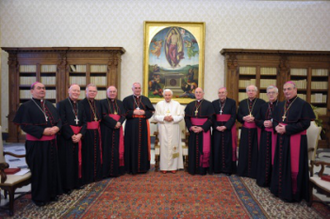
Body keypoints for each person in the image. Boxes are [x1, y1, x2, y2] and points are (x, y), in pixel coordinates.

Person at [13, 82, 62, 206]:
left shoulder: (50, 105)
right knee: (39, 170)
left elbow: (59, 121)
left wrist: (57, 128)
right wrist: (42, 131)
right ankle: (39, 198)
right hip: (36, 145)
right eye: (39, 88)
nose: (42, 90)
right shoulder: (26, 106)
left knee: (51, 169)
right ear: (31, 91)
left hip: (51, 143)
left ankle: (51, 194)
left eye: (44, 88)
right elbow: (24, 125)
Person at [270, 81, 315, 202]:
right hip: (281, 139)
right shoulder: (281, 105)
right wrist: (276, 127)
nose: (286, 92)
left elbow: (305, 123)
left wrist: (287, 129)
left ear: (295, 90)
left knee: (292, 166)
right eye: (284, 89)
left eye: (289, 89)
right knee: (281, 163)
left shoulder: (303, 105)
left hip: (295, 140)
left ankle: (292, 193)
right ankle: (279, 190)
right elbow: (274, 120)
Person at [57, 84, 86, 194]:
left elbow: (84, 122)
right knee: (67, 162)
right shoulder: (62, 104)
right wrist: (71, 135)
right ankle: (67, 186)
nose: (76, 93)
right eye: (74, 90)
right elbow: (62, 121)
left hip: (78, 136)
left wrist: (80, 135)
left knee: (77, 161)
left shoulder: (81, 105)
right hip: (67, 138)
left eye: (78, 91)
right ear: (69, 91)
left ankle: (76, 183)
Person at [123, 82, 155, 174]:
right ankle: (130, 168)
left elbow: (151, 111)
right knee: (131, 144)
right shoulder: (127, 99)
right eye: (135, 88)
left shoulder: (145, 99)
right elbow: (124, 112)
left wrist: (144, 113)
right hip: (131, 126)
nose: (137, 90)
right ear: (132, 89)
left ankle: (143, 168)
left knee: (143, 145)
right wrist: (133, 112)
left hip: (143, 126)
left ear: (141, 89)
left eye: (139, 88)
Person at [237, 85, 265, 178]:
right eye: (249, 90)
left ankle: (254, 172)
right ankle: (243, 171)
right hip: (245, 130)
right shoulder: (242, 103)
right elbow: (238, 115)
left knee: (255, 150)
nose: (251, 92)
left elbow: (264, 115)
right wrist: (243, 117)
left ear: (256, 92)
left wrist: (255, 119)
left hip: (256, 130)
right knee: (244, 150)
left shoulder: (262, 103)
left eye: (253, 91)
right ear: (246, 92)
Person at [184, 87, 214, 175]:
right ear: (194, 94)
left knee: (203, 150)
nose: (198, 94)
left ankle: (202, 169)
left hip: (204, 131)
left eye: (200, 92)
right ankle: (192, 169)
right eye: (196, 92)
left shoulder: (209, 104)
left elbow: (211, 119)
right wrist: (191, 127)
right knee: (193, 149)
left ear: (203, 94)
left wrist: (202, 128)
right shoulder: (190, 105)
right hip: (193, 131)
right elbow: (186, 118)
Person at [154, 89, 184, 174]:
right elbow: (156, 116)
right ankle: (164, 167)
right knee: (164, 147)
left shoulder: (176, 104)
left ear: (172, 95)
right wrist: (164, 117)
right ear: (163, 95)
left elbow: (181, 116)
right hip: (163, 128)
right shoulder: (159, 104)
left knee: (174, 146)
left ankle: (173, 167)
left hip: (174, 127)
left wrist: (173, 118)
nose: (167, 97)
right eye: (166, 95)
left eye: (169, 95)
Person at [100, 86, 126, 177]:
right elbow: (103, 115)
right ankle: (106, 171)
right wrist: (114, 123)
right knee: (107, 149)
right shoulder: (102, 102)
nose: (112, 93)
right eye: (110, 91)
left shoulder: (120, 102)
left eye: (114, 91)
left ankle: (116, 171)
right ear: (107, 93)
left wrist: (119, 123)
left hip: (118, 129)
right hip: (107, 129)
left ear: (116, 93)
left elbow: (123, 115)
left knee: (116, 149)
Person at [255, 85, 278, 187]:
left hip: (276, 136)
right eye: (269, 93)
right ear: (266, 94)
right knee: (264, 156)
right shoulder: (263, 106)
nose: (271, 94)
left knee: (275, 157)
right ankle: (263, 180)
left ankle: (274, 181)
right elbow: (257, 120)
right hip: (265, 135)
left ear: (277, 94)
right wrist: (263, 123)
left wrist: (273, 124)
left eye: (273, 92)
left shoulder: (281, 106)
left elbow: (283, 121)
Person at [212, 87, 237, 175]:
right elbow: (212, 117)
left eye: (223, 92)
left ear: (226, 93)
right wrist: (216, 126)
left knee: (228, 149)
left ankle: (227, 169)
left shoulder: (232, 102)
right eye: (219, 92)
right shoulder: (214, 103)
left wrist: (226, 126)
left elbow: (233, 116)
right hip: (217, 130)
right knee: (217, 148)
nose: (221, 94)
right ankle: (217, 168)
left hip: (228, 130)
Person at [80, 84, 103, 184]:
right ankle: (88, 176)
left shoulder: (98, 103)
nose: (92, 93)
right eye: (90, 91)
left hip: (97, 132)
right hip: (86, 132)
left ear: (96, 93)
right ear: (86, 92)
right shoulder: (81, 103)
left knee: (97, 152)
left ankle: (96, 175)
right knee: (87, 154)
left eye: (94, 91)